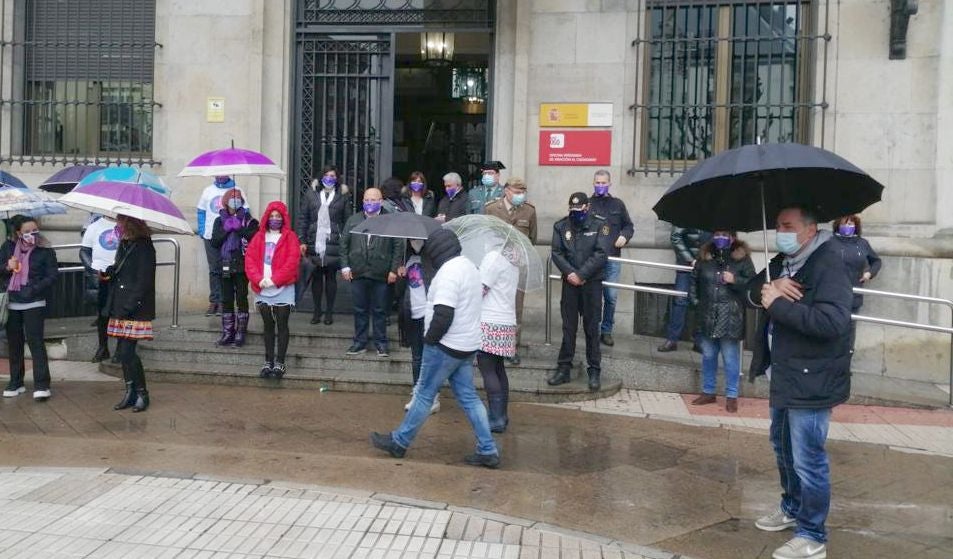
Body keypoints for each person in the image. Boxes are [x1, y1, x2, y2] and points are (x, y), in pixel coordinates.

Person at [746, 206, 852, 559]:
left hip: (813, 378)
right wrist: (771, 286)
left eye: (787, 227)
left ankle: (812, 535)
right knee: (783, 448)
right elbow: (748, 290)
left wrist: (777, 305)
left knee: (808, 459)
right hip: (784, 375)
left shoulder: (828, 263)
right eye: (778, 227)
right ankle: (791, 507)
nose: (781, 232)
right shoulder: (784, 261)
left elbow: (832, 322)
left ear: (809, 230)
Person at [370, 228, 500, 469]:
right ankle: (488, 449)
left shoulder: (449, 273)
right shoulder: (470, 267)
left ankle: (399, 442)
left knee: (423, 395)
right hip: (466, 345)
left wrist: (430, 340)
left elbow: (443, 314)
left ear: (437, 250)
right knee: (470, 399)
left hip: (445, 346)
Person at [548, 192, 611, 391]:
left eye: (579, 210)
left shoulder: (600, 224)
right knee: (569, 328)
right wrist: (570, 274)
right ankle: (564, 368)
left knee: (592, 328)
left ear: (587, 207)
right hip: (570, 284)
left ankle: (594, 370)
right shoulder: (561, 225)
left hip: (591, 283)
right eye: (572, 210)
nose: (575, 213)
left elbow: (601, 253)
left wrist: (582, 274)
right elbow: (556, 253)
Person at [688, 230, 755, 413]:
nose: (720, 238)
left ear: (732, 237)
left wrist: (735, 280)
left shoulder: (742, 259)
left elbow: (752, 284)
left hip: (730, 314)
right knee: (708, 354)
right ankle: (708, 391)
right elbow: (694, 281)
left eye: (724, 234)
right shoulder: (705, 257)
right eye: (717, 234)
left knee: (730, 357)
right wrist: (695, 302)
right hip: (707, 312)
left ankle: (731, 395)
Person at [1, 217, 58, 401]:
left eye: (35, 230)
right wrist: (7, 267)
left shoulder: (45, 251)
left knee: (35, 342)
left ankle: (42, 384)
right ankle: (16, 381)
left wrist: (34, 288)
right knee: (14, 343)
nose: (32, 234)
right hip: (13, 301)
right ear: (18, 233)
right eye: (28, 231)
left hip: (34, 302)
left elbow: (52, 275)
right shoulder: (8, 248)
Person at [340, 187, 402, 357]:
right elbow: (344, 244)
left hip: (381, 273)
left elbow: (398, 246)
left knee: (380, 310)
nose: (370, 203)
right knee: (360, 309)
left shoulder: (389, 221)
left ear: (381, 201)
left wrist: (393, 269)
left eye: (374, 200)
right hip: (358, 272)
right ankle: (359, 343)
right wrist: (345, 266)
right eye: (367, 200)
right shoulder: (353, 220)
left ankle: (381, 343)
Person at [483, 176, 536, 365]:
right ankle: (488, 342)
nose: (520, 195)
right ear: (506, 191)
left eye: (523, 192)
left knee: (516, 306)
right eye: (516, 192)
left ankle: (512, 346)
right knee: (491, 304)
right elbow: (486, 235)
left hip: (517, 267)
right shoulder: (491, 208)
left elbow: (533, 240)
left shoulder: (529, 211)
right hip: (496, 264)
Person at [106, 215, 156, 413]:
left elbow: (144, 280)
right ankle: (130, 391)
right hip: (120, 304)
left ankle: (142, 393)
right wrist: (110, 271)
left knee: (128, 353)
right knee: (122, 354)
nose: (117, 226)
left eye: (120, 222)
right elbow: (121, 268)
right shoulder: (124, 244)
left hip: (134, 308)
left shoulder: (144, 246)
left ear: (129, 223)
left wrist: (129, 305)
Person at [246, 201, 301, 379]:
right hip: (262, 287)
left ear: (283, 218)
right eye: (272, 216)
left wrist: (275, 279)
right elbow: (250, 260)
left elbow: (292, 262)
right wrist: (258, 279)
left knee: (282, 323)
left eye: (278, 216)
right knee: (268, 325)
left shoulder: (290, 237)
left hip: (282, 287)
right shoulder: (259, 237)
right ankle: (268, 361)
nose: (274, 219)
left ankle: (280, 362)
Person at [295, 166, 351, 325]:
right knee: (317, 277)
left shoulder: (343, 196)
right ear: (321, 177)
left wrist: (345, 240)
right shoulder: (311, 194)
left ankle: (329, 312)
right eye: (326, 175)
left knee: (331, 277)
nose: (329, 178)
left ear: (337, 178)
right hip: (314, 241)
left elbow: (348, 220)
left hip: (334, 242)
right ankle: (317, 310)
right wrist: (302, 240)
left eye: (332, 175)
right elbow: (303, 219)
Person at [587, 170, 634, 347]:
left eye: (603, 182)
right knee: (593, 298)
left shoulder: (617, 204)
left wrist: (624, 236)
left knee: (611, 297)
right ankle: (593, 330)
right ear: (593, 183)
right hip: (592, 260)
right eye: (597, 182)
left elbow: (629, 226)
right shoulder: (588, 204)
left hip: (613, 259)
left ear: (609, 183)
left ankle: (606, 331)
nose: (600, 185)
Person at [477, 240, 519, 433]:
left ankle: (495, 418)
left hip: (490, 319)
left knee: (487, 369)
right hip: (507, 320)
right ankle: (502, 414)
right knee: (499, 368)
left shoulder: (493, 258)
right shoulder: (511, 260)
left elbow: (481, 289)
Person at [210, 188, 259, 347]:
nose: (235, 199)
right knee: (226, 298)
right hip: (225, 264)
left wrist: (240, 229)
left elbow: (254, 237)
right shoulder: (219, 221)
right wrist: (226, 229)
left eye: (238, 197)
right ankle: (228, 332)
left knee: (242, 297)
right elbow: (214, 242)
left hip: (242, 264)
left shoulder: (249, 220)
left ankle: (240, 332)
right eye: (232, 197)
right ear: (226, 200)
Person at [399, 238, 440, 414]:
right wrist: (400, 274)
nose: (415, 242)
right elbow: (397, 293)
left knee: (430, 357)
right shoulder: (404, 257)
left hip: (429, 314)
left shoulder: (432, 259)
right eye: (412, 240)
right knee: (416, 357)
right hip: (411, 312)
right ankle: (417, 391)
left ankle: (433, 395)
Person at [196, 176, 246, 316]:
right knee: (214, 270)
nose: (221, 175)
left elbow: (245, 211)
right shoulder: (207, 191)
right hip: (212, 236)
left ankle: (226, 302)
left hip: (230, 238)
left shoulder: (237, 190)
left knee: (228, 271)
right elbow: (201, 211)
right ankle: (214, 301)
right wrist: (201, 230)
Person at [831, 214, 882, 353]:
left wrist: (869, 273)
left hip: (854, 295)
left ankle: (846, 364)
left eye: (851, 224)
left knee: (849, 332)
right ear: (838, 225)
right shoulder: (830, 242)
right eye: (844, 224)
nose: (848, 227)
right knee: (832, 329)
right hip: (832, 295)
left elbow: (876, 261)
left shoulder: (862, 243)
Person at [659, 226, 712, 352]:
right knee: (680, 300)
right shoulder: (686, 210)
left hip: (706, 265)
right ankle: (672, 339)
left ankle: (699, 340)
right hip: (686, 266)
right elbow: (675, 237)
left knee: (703, 301)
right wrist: (690, 259)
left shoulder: (713, 212)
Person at [80, 215, 119, 362]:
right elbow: (84, 251)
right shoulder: (95, 226)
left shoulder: (128, 225)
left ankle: (121, 349)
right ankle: (103, 347)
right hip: (100, 277)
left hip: (120, 276)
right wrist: (93, 268)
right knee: (103, 314)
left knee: (121, 313)